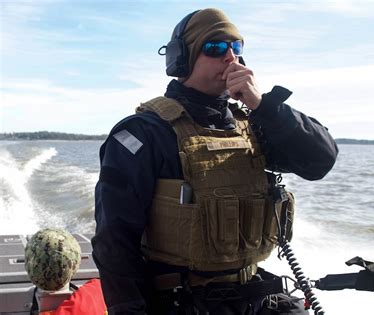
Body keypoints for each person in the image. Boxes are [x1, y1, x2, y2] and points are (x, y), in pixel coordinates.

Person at [92, 8, 338, 315]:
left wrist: (263, 106)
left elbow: (321, 161)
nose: (230, 57)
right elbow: (114, 241)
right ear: (183, 59)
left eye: (237, 48)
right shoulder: (146, 133)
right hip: (182, 303)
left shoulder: (255, 124)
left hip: (254, 299)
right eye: (215, 48)